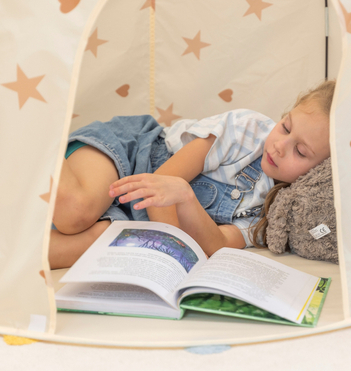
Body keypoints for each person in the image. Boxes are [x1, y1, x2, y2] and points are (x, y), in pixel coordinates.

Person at [50, 79, 335, 269]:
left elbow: (218, 243)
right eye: (286, 127)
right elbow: (160, 182)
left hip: (139, 217)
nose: (280, 146)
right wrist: (173, 253)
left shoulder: (275, 214)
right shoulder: (248, 130)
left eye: (301, 151)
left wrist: (186, 198)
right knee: (76, 212)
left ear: (321, 171)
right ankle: (39, 125)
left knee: (96, 242)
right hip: (133, 155)